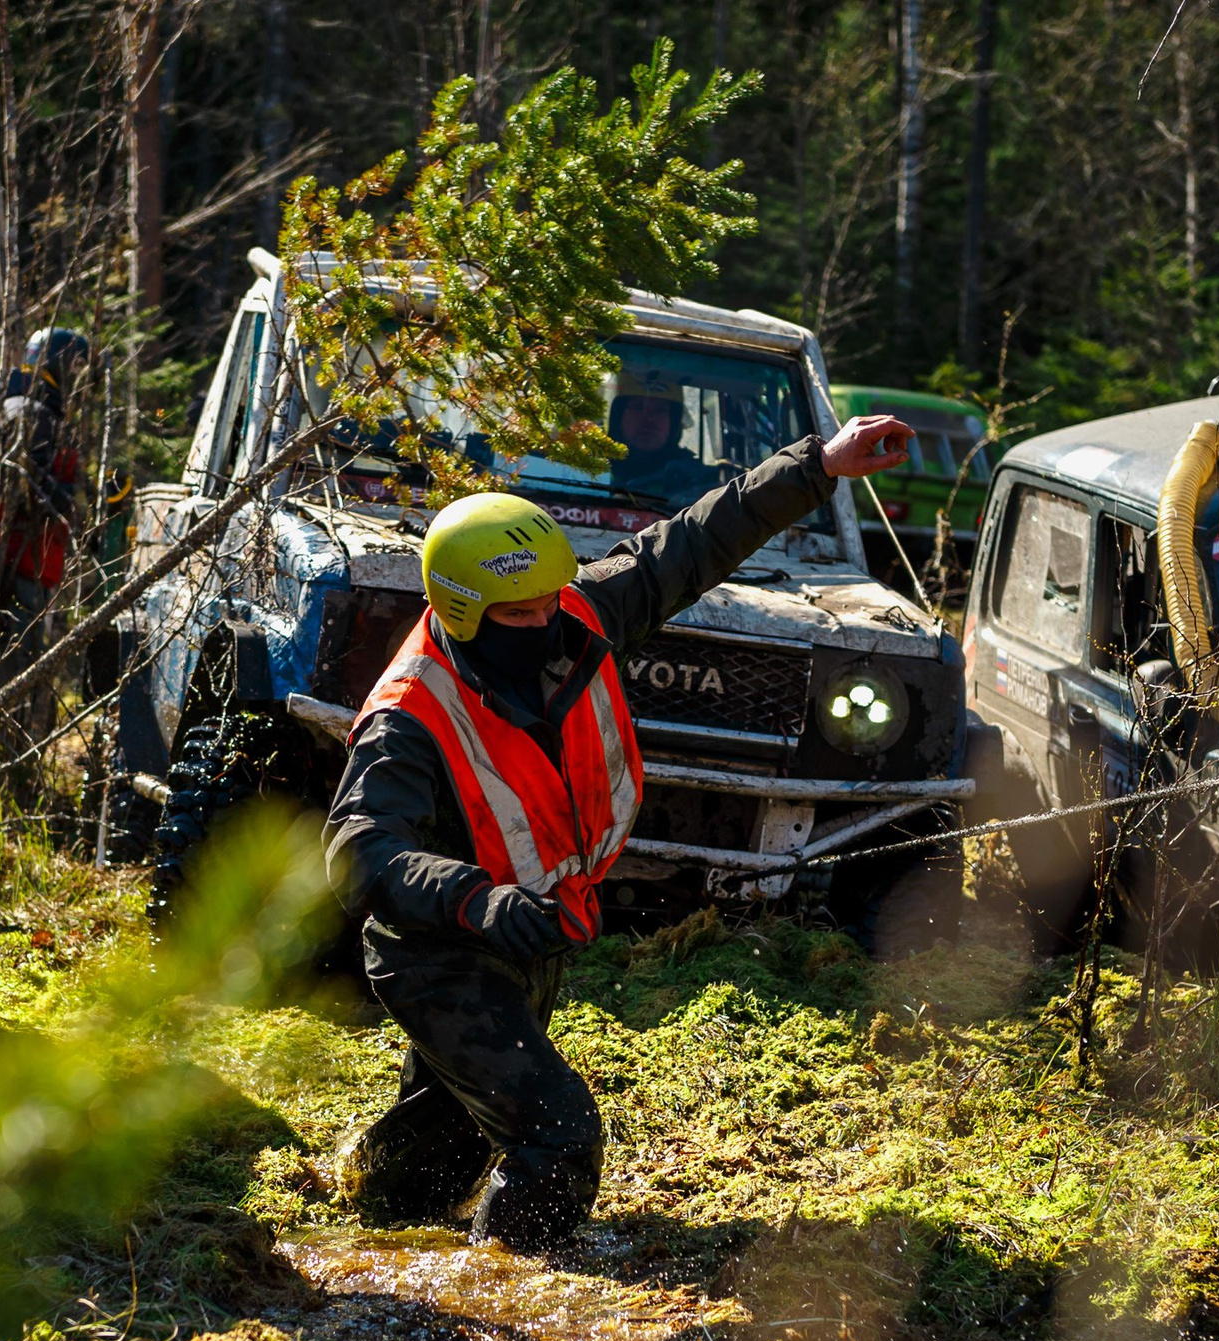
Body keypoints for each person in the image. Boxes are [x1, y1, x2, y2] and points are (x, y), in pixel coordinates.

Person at [323, 412, 911, 1252]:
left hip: (534, 931)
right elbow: (358, 852)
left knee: (446, 1141)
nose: (546, 625)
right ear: (463, 612)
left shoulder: (579, 613)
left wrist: (819, 463)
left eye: (547, 604)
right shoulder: (407, 718)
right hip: (439, 951)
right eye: (519, 616)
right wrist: (482, 904)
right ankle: (509, 1290)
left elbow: (695, 543)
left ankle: (366, 1223)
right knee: (556, 1136)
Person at [0, 326, 88, 660]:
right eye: (78, 369)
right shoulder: (29, 414)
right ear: (61, 365)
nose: (80, 381)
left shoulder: (22, 409)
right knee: (3, 689)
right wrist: (71, 502)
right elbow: (26, 486)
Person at [604, 372, 713, 509]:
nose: (649, 419)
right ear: (617, 416)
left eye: (660, 410)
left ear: (674, 421)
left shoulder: (696, 480)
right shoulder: (590, 467)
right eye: (638, 407)